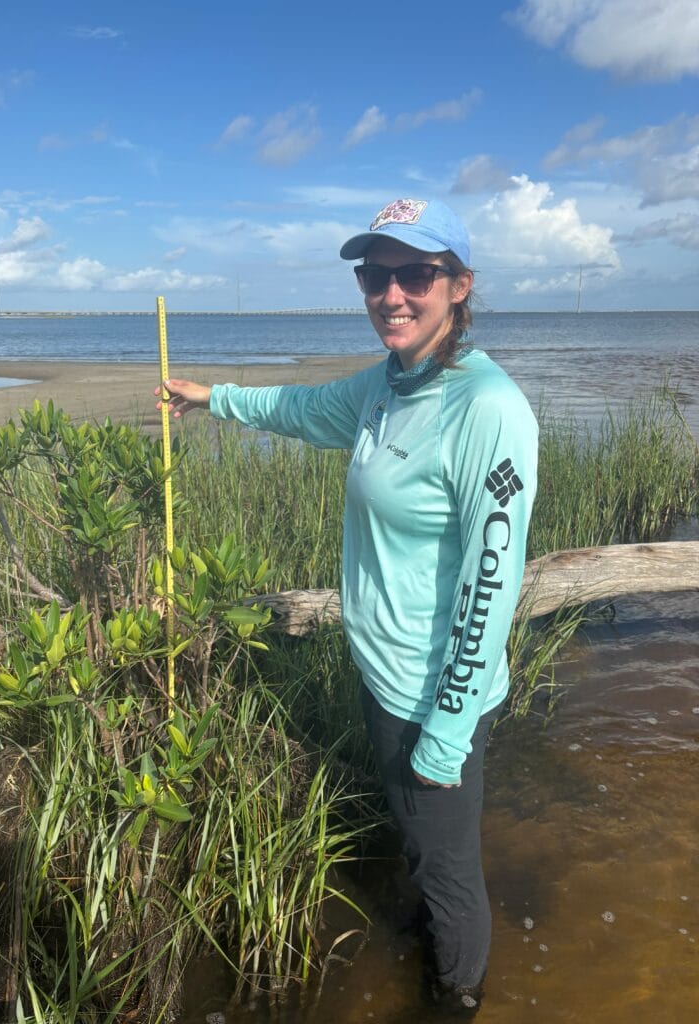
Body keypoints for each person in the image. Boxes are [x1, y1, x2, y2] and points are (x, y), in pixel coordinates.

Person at [158, 197, 538, 1016]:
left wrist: (447, 727)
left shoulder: (489, 410)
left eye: (415, 274)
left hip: (438, 695)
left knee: (451, 874)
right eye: (375, 275)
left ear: (459, 286)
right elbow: (299, 409)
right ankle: (430, 934)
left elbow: (492, 580)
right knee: (419, 844)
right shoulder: (387, 386)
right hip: (383, 676)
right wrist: (211, 397)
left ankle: (460, 996)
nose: (391, 294)